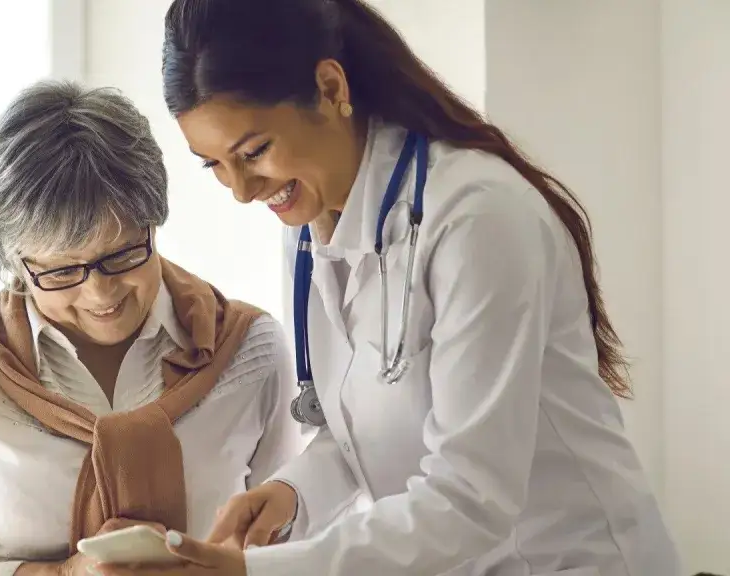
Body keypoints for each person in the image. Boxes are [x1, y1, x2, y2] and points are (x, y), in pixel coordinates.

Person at [99, 0, 681, 575]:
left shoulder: (477, 218)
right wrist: (290, 495)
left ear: (330, 88)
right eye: (214, 165)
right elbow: (360, 433)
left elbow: (470, 498)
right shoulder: (307, 226)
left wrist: (259, 573)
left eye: (254, 152)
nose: (243, 190)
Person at [0, 80, 304, 576]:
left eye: (123, 254)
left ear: (154, 222)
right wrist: (58, 575)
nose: (100, 294)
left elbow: (301, 547)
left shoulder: (249, 350)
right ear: (16, 265)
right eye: (62, 271)